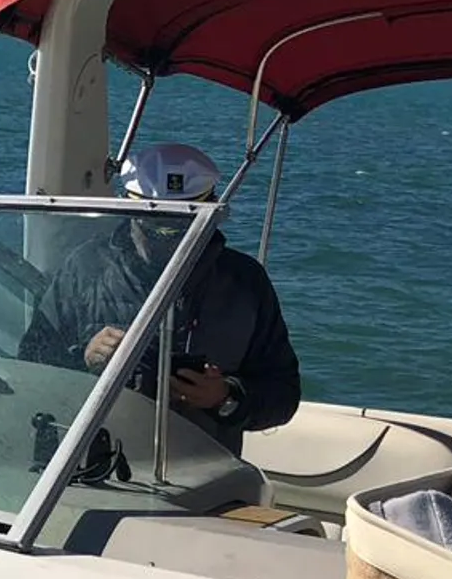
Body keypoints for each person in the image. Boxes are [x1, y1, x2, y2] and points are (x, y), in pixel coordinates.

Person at [18, 141, 300, 445]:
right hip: (97, 459)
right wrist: (84, 358)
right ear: (128, 210)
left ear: (211, 210)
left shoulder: (246, 282)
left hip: (206, 464)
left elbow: (283, 394)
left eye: (183, 227)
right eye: (154, 226)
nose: (167, 241)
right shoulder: (83, 268)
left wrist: (226, 397)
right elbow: (30, 365)